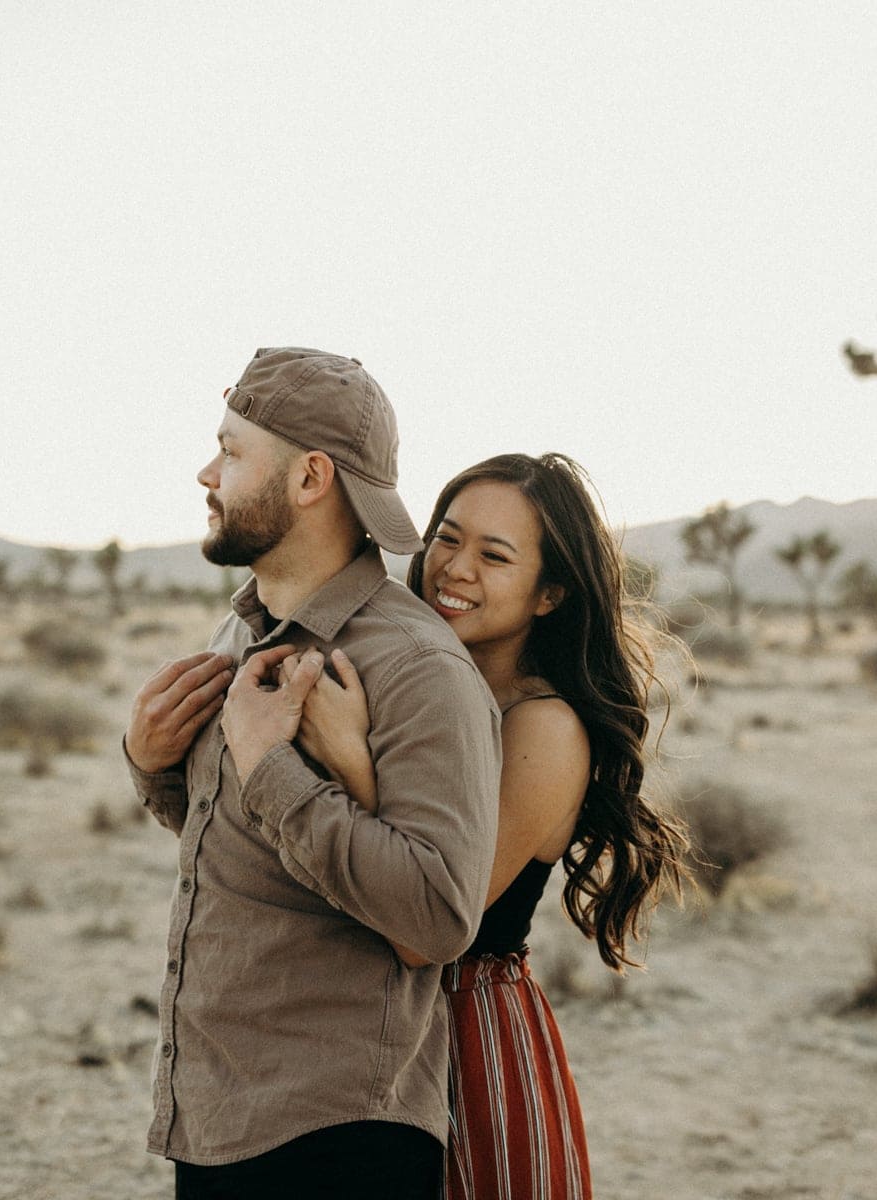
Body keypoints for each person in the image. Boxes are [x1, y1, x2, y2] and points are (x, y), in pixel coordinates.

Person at [123, 347, 502, 1199]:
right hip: (221, 1113)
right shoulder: (245, 634)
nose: (205, 472)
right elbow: (253, 843)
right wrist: (151, 766)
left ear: (310, 479)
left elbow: (440, 915)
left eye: (231, 450)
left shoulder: (414, 668)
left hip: (336, 1138)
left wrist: (268, 764)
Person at [282, 452, 692, 1200]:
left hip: (463, 1036)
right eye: (447, 537)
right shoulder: (412, 684)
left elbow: (428, 924)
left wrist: (350, 759)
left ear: (550, 594)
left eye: (495, 556)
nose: (455, 569)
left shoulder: (546, 729)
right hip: (353, 1026)